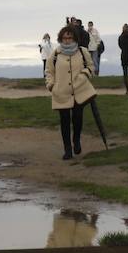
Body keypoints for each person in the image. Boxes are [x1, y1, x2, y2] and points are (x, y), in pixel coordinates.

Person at [45, 25, 95, 160]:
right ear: (61, 38)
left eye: (70, 37)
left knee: (78, 118)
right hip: (61, 93)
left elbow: (90, 66)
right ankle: (67, 149)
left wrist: (84, 75)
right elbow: (49, 72)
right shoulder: (55, 54)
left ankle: (76, 140)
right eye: (64, 38)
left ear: (75, 38)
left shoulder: (82, 51)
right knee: (64, 121)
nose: (67, 40)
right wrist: (51, 85)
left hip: (79, 92)